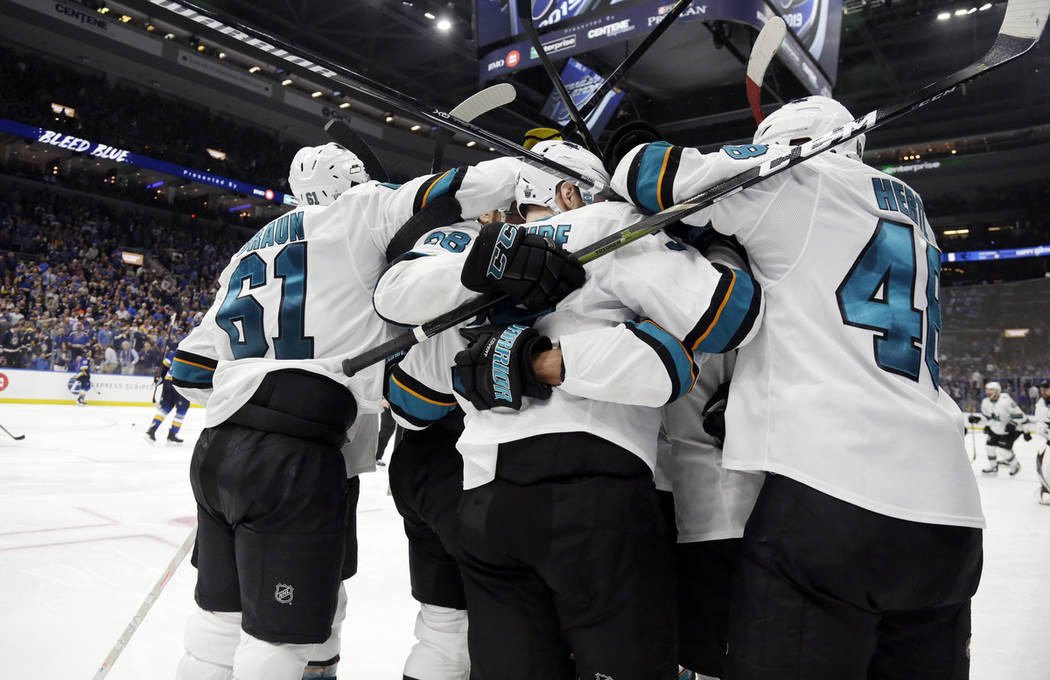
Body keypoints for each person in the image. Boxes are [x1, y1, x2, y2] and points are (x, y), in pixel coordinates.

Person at [611, 96, 984, 679]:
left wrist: (628, 138)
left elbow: (650, 175)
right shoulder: (917, 214)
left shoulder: (800, 181)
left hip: (832, 492)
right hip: (950, 514)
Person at [384, 141, 764, 680]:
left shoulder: (483, 258)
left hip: (485, 502)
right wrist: (707, 240)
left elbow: (410, 402)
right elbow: (726, 320)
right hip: (594, 489)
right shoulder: (613, 223)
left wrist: (491, 341)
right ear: (569, 192)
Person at [169, 142, 523, 680]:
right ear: (356, 178)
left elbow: (190, 372)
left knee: (218, 625)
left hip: (219, 448)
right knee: (281, 638)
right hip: (298, 454)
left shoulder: (250, 246)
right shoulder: (364, 209)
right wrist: (539, 174)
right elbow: (458, 190)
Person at [653, 229, 764, 680]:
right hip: (681, 497)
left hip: (716, 504)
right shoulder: (734, 267)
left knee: (710, 652)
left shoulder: (717, 271)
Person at [972, 380, 1024, 474]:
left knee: (1003, 450)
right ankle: (993, 467)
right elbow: (987, 417)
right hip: (995, 428)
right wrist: (977, 419)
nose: (988, 392)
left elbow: (1018, 414)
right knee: (989, 448)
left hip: (1007, 430)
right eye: (987, 389)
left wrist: (1012, 423)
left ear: (997, 391)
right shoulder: (985, 402)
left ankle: (1015, 465)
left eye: (991, 390)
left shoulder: (1006, 400)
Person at [146, 350, 191, 444]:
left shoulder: (176, 351)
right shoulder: (195, 352)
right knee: (181, 411)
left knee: (165, 408)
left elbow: (165, 365)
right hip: (182, 384)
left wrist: (159, 377)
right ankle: (172, 435)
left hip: (168, 383)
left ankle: (151, 430)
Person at [1030, 378, 1050, 504]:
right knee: (1042, 461)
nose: (1043, 391)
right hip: (1048, 442)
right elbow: (1040, 424)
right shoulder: (1041, 404)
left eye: (1046, 389)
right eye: (1042, 389)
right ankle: (1046, 488)